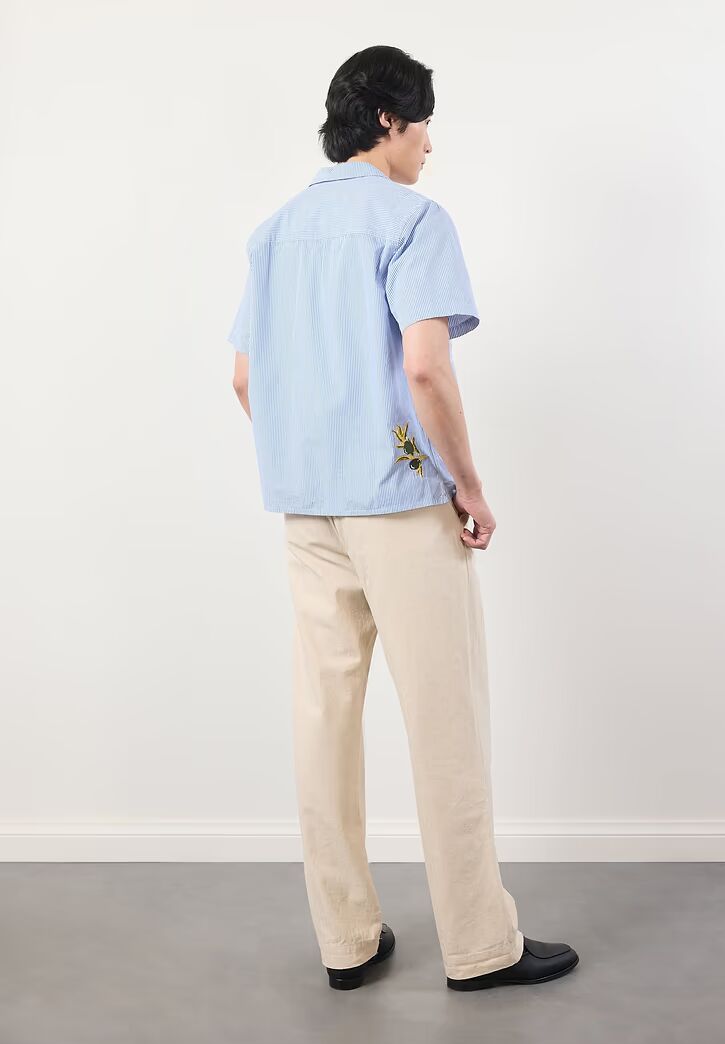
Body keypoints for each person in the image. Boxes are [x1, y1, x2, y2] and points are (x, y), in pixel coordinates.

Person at [226, 44, 579, 992]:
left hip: (308, 510)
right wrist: (469, 485)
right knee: (444, 720)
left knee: (323, 719)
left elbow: (245, 379)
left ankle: (345, 942)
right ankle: (480, 947)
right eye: (423, 123)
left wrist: (315, 456)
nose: (429, 144)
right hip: (402, 503)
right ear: (388, 120)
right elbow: (425, 366)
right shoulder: (413, 219)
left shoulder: (272, 234)